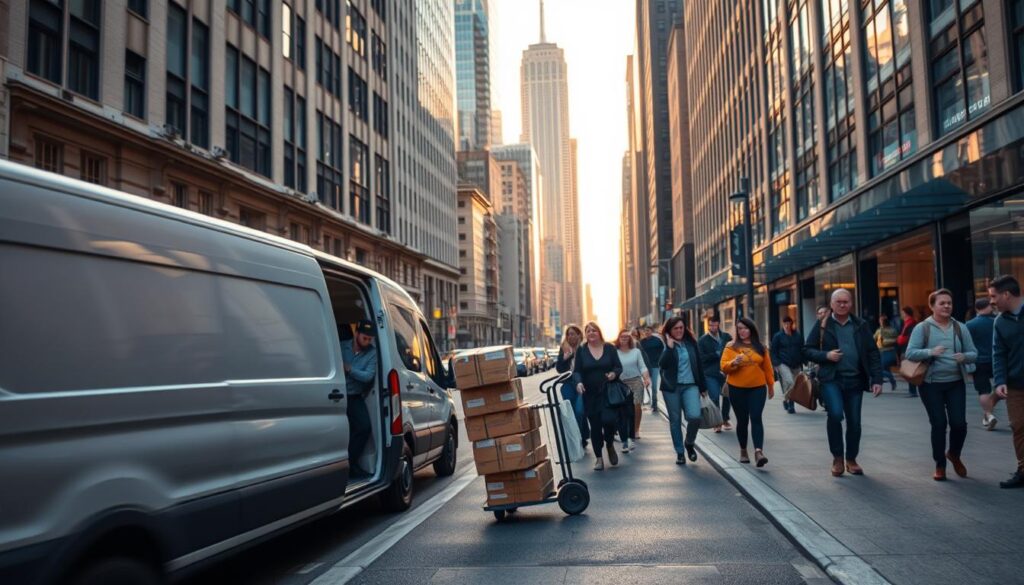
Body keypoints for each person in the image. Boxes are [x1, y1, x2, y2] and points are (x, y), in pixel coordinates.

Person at [804, 289, 883, 477]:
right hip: (832, 380)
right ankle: (838, 458)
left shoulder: (860, 325)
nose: (842, 304)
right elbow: (807, 350)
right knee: (836, 414)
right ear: (831, 304)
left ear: (851, 304)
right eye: (838, 301)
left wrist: (877, 379)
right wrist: (826, 355)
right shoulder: (822, 325)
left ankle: (851, 459)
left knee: (854, 422)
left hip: (855, 380)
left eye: (846, 301)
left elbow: (872, 353)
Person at [904, 289, 977, 481]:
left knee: (959, 424)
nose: (946, 306)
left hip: (955, 383)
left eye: (949, 303)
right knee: (938, 424)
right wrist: (930, 352)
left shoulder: (960, 328)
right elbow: (910, 353)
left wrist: (964, 357)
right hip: (931, 385)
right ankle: (940, 464)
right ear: (932, 306)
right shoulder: (922, 328)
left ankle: (953, 453)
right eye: (942, 303)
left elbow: (973, 353)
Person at [721, 318, 775, 467]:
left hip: (757, 388)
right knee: (742, 421)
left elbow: (768, 368)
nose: (742, 331)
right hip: (736, 388)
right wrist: (733, 363)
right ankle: (743, 450)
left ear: (751, 329)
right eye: (739, 329)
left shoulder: (760, 347)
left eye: (745, 328)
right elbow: (723, 366)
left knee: (756, 417)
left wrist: (770, 385)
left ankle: (758, 452)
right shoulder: (731, 346)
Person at [572, 322, 624, 470]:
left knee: (609, 421)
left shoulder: (609, 348)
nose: (591, 333)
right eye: (588, 331)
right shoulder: (582, 350)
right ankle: (599, 458)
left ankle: (609, 444)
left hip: (608, 393)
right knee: (595, 426)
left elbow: (618, 366)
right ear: (586, 335)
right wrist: (578, 383)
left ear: (599, 332)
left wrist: (614, 373)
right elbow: (577, 371)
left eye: (594, 330)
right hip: (590, 395)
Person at [659, 316, 710, 465]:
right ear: (670, 330)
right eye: (676, 328)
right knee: (675, 421)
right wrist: (669, 347)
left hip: (691, 385)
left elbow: (699, 365)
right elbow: (662, 364)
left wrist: (703, 387)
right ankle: (680, 452)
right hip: (671, 388)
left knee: (694, 416)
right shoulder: (665, 344)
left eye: (681, 327)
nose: (679, 330)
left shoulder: (691, 343)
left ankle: (689, 442)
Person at [990, 275, 1024, 489]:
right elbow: (998, 353)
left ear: (1007, 295)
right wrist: (1000, 380)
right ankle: (1023, 470)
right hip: (1014, 385)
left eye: (993, 296)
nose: (991, 301)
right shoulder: (1000, 322)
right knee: (1018, 426)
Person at [341, 319, 379, 478]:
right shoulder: (341, 346)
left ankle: (351, 463)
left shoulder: (372, 353)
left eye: (370, 339)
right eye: (365, 338)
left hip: (354, 397)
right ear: (356, 333)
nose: (367, 341)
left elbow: (368, 376)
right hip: (336, 396)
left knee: (364, 427)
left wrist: (349, 369)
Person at [966, 298, 1001, 430]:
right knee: (1004, 386)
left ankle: (989, 414)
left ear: (976, 309)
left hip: (979, 361)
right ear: (989, 307)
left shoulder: (970, 325)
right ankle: (1011, 416)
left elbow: (966, 344)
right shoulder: (997, 321)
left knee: (983, 390)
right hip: (998, 360)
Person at [615, 329, 649, 453]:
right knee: (623, 411)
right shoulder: (615, 352)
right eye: (622, 336)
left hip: (635, 381)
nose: (624, 338)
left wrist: (646, 377)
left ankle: (635, 430)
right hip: (620, 384)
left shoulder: (636, 352)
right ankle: (625, 437)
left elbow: (642, 366)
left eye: (626, 337)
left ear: (630, 339)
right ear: (618, 339)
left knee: (635, 406)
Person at [698, 315, 733, 432]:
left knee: (727, 396)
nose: (712, 327)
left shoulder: (726, 337)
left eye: (714, 324)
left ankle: (725, 418)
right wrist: (715, 354)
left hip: (725, 372)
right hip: (710, 373)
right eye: (710, 325)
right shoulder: (702, 340)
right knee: (714, 397)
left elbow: (733, 350)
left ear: (718, 324)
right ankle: (717, 422)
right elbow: (701, 358)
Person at [556, 324, 588, 448]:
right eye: (568, 334)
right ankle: (578, 438)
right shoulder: (564, 348)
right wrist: (565, 358)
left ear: (579, 335)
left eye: (573, 334)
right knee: (571, 412)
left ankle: (582, 436)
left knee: (580, 411)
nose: (570, 336)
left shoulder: (584, 348)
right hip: (568, 383)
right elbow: (559, 369)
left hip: (581, 383)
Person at [771, 315, 803, 414]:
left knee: (794, 385)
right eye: (785, 324)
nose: (787, 325)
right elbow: (773, 351)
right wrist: (776, 363)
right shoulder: (778, 336)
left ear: (791, 324)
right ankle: (790, 405)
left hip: (796, 363)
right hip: (783, 363)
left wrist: (804, 360)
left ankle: (786, 400)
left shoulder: (797, 335)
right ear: (782, 324)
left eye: (789, 323)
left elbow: (802, 348)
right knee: (790, 382)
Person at [639, 325, 665, 412]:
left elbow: (663, 352)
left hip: (655, 366)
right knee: (645, 385)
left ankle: (654, 404)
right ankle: (645, 401)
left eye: (648, 331)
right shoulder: (641, 342)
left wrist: (660, 361)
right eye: (645, 331)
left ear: (651, 331)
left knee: (654, 386)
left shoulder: (657, 341)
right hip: (645, 367)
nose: (646, 332)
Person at [873, 314, 899, 391]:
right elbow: (896, 339)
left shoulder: (880, 331)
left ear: (882, 322)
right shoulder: (893, 330)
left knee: (880, 369)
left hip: (883, 352)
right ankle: (887, 383)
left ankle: (892, 381)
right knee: (886, 368)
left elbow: (874, 339)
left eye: (880, 320)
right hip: (892, 352)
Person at [897, 306, 919, 397]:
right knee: (908, 370)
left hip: (908, 349)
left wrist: (901, 339)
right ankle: (912, 390)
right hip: (904, 349)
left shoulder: (911, 323)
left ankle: (913, 391)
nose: (901, 314)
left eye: (902, 312)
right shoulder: (906, 323)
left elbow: (909, 337)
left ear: (906, 313)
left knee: (910, 370)